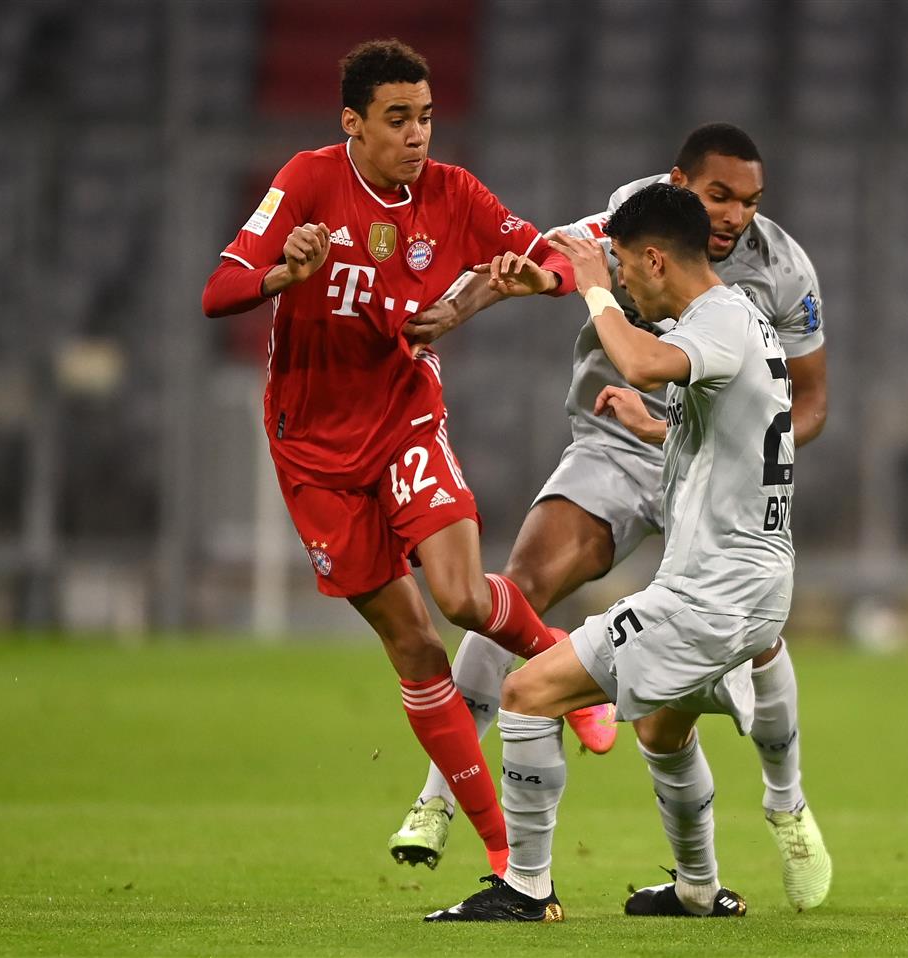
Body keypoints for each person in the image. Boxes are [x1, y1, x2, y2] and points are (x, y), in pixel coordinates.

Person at [199, 37, 610, 877]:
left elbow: (550, 256)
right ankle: (499, 851)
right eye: (398, 119)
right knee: (415, 648)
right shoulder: (309, 181)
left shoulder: (451, 193)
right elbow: (219, 292)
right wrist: (283, 274)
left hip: (403, 418)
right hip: (312, 451)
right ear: (352, 123)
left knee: (461, 595)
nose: (418, 134)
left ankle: (563, 666)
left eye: (425, 116)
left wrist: (539, 283)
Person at [395, 123, 832, 910]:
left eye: (631, 269)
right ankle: (699, 890)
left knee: (532, 693)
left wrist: (598, 286)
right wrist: (651, 425)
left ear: (656, 259)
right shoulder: (740, 318)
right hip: (754, 573)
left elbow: (640, 356)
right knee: (663, 731)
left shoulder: (728, 316)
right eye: (720, 196)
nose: (626, 282)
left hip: (708, 590)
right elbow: (713, 416)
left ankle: (526, 887)